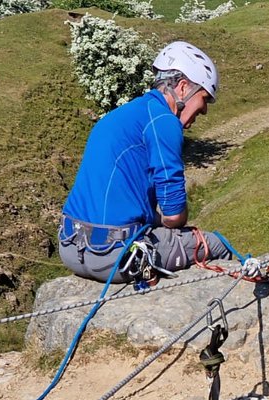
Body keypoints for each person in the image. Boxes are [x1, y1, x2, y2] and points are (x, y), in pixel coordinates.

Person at [58, 41, 232, 284]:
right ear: (183, 88)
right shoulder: (163, 121)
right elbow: (173, 216)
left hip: (70, 248)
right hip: (114, 257)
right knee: (216, 244)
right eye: (203, 99)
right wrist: (175, 221)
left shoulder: (121, 115)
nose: (203, 112)